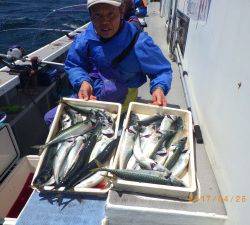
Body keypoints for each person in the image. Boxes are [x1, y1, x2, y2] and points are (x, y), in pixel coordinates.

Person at [44, 0, 172, 126]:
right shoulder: (84, 39)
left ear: (121, 12)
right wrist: (83, 82)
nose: (105, 22)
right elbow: (74, 64)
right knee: (50, 118)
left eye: (111, 14)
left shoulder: (140, 42)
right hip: (91, 96)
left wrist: (159, 88)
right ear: (91, 16)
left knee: (115, 131)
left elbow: (161, 71)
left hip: (122, 102)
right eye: (98, 15)